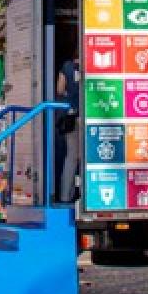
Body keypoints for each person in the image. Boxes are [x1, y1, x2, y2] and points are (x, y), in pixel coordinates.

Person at [55, 56, 81, 203]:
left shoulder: (67, 66)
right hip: (90, 115)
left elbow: (59, 89)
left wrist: (69, 96)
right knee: (87, 158)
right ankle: (86, 195)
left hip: (71, 115)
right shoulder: (92, 65)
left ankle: (65, 196)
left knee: (71, 157)